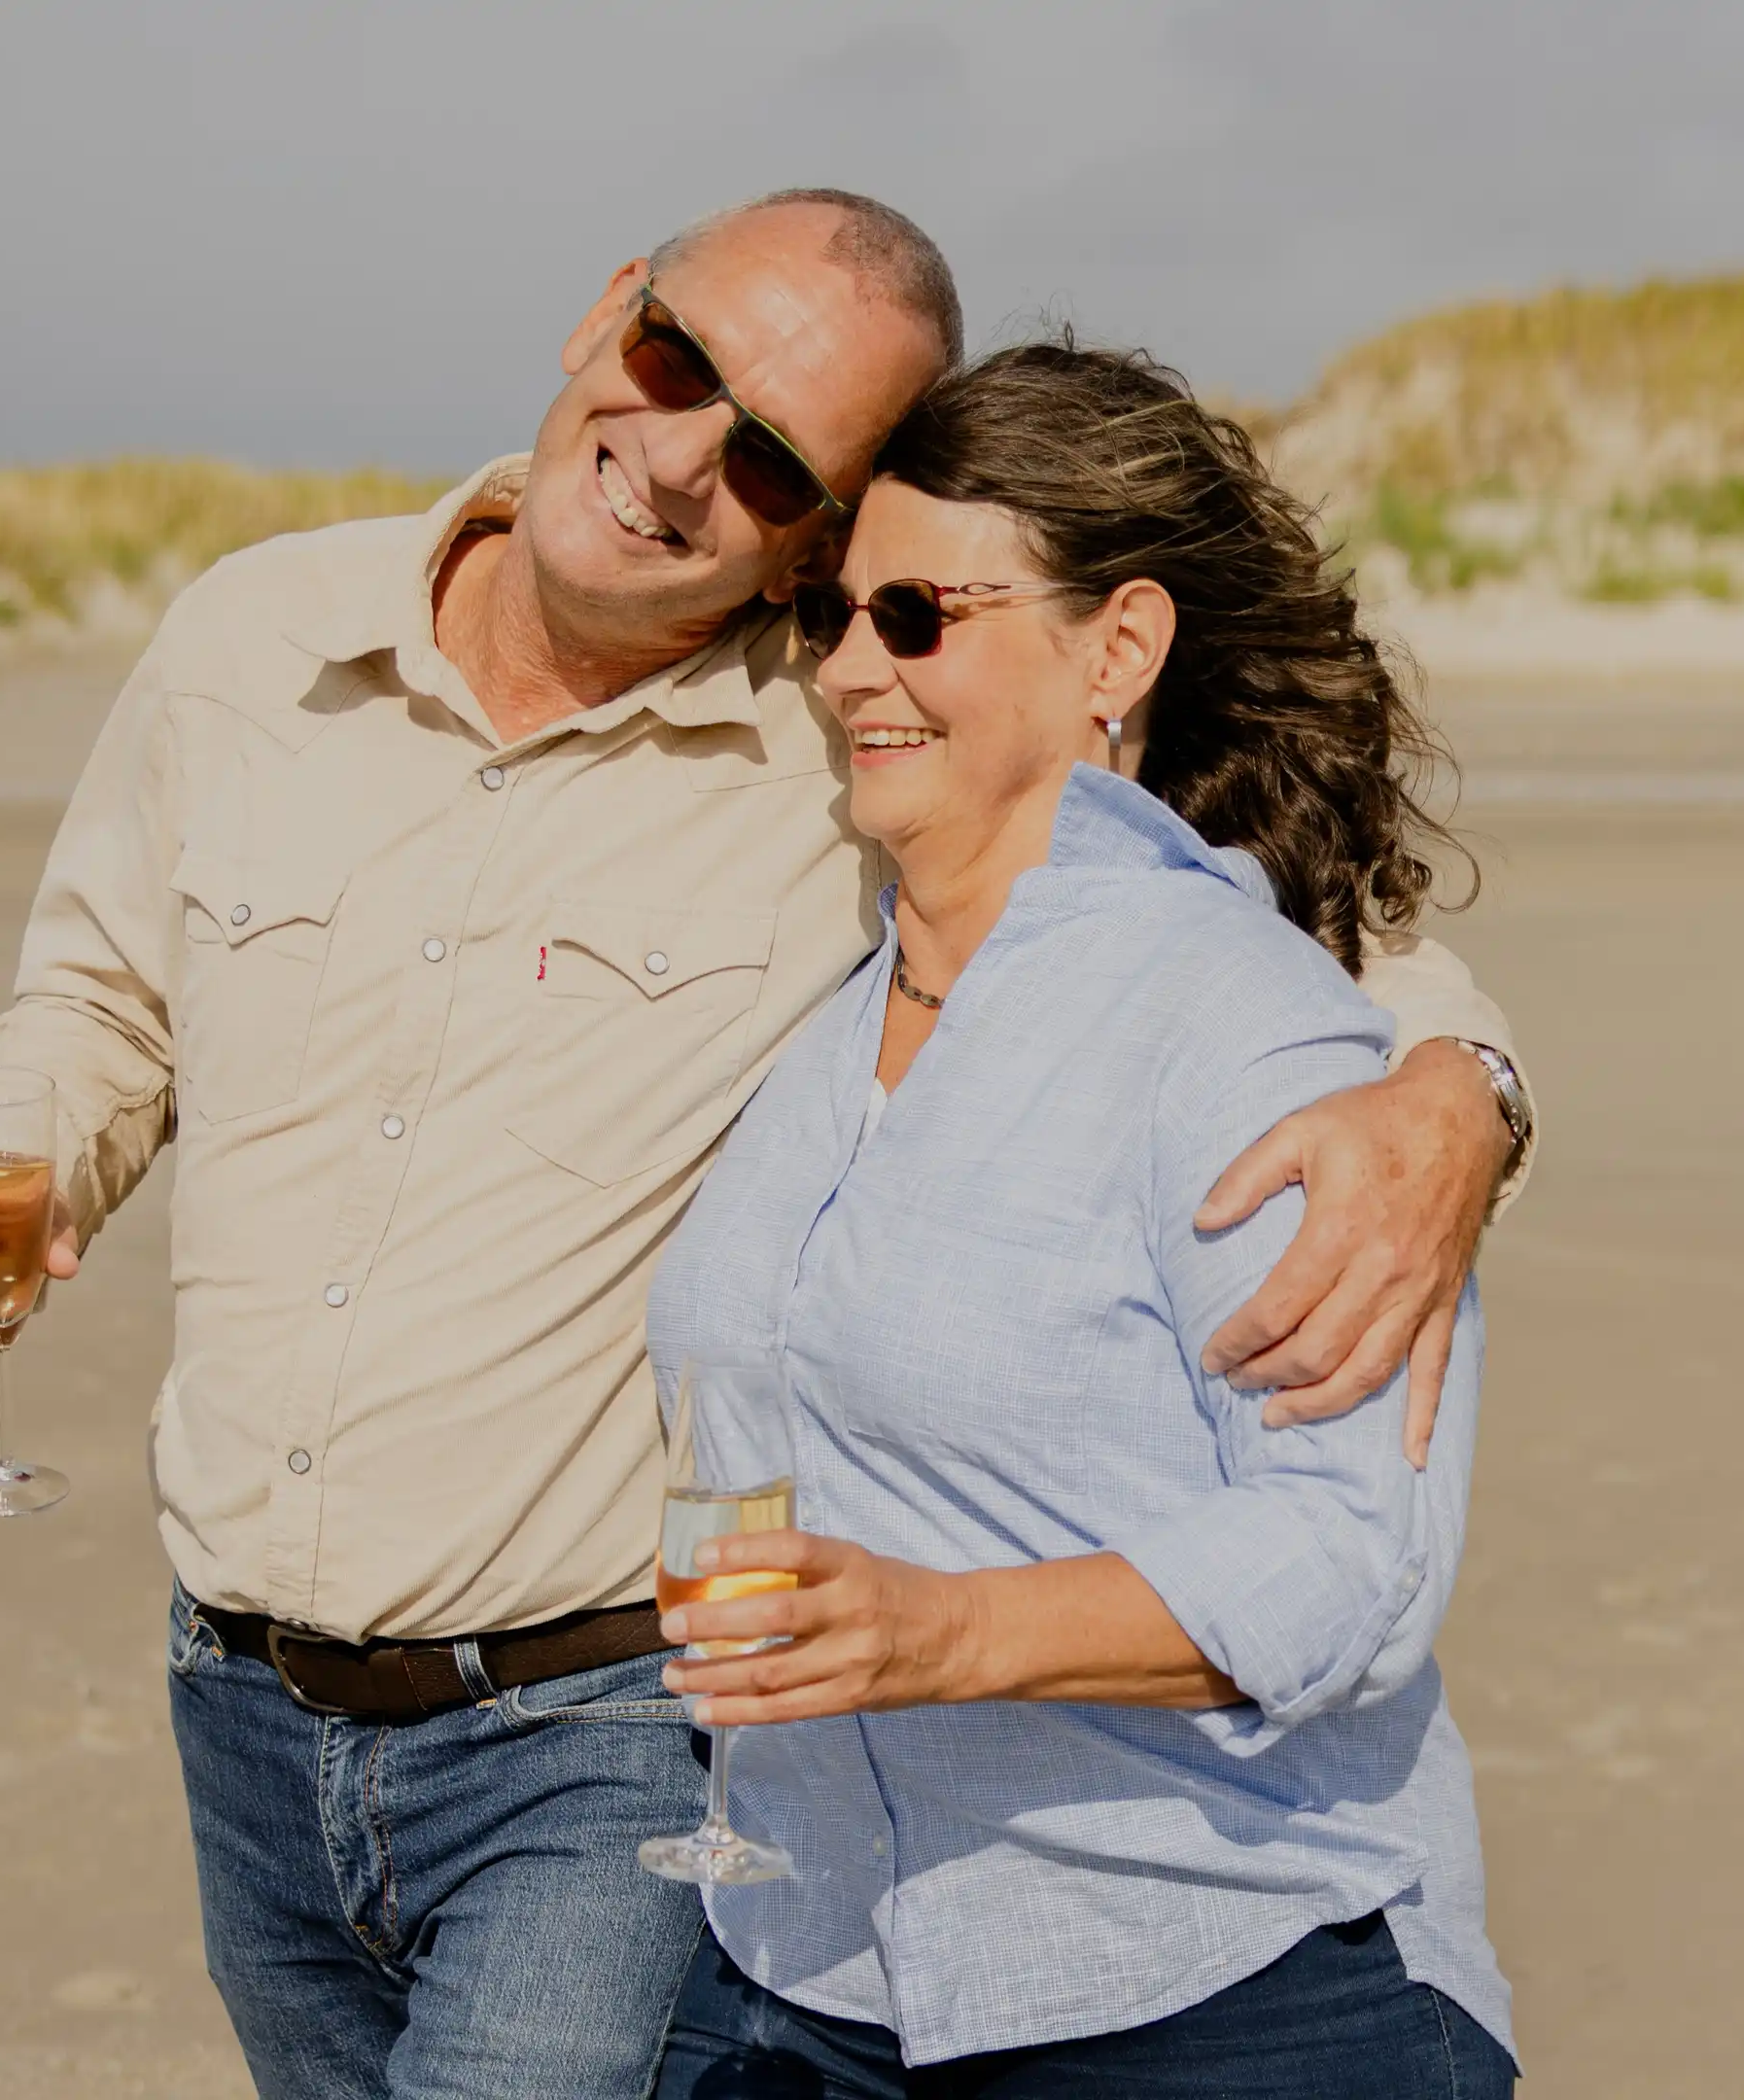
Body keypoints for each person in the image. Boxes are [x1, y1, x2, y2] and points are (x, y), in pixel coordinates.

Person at [0, 193, 1532, 2098]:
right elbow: (101, 994)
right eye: (674, 365)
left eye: (763, 464)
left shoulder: (839, 749)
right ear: (608, 304)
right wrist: (6, 1163)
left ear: (809, 536)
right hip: (238, 1708)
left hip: (602, 1732)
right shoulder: (249, 637)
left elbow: (1269, 932)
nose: (673, 462)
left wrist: (1456, 1094)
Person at [644, 340, 1516, 2096]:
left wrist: (945, 1635)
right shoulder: (819, 1024)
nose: (850, 671)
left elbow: (1357, 1560)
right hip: (800, 1973)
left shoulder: (1242, 1025)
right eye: (830, 616)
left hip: (1220, 1982)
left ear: (1116, 650)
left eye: (920, 616)